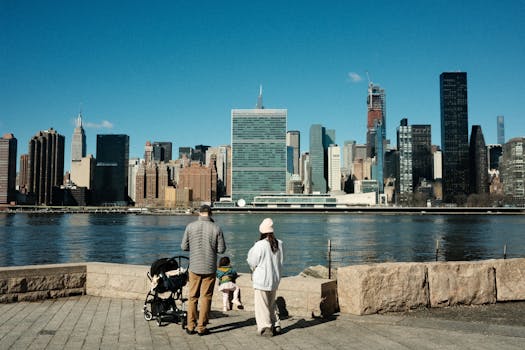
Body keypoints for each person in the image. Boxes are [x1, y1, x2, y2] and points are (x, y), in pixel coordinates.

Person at [181, 204, 226, 336]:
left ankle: (190, 326)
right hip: (209, 268)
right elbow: (221, 250)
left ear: (199, 213)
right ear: (210, 214)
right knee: (206, 297)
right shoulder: (216, 228)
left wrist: (194, 249)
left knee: (192, 297)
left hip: (194, 267)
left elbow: (183, 246)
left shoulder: (190, 226)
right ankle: (201, 327)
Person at [247, 217, 284, 337]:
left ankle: (266, 328)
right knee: (272, 303)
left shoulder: (259, 245)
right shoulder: (279, 243)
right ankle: (276, 324)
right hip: (274, 279)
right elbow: (281, 261)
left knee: (262, 306)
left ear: (261, 231)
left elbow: (252, 262)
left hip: (262, 280)